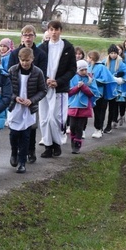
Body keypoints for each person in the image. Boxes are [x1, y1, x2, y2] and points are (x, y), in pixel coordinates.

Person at [7, 24, 48, 164]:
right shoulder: (14, 54)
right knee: (15, 129)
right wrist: (14, 96)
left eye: (30, 35)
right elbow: (10, 76)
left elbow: (40, 78)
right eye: (25, 35)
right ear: (21, 36)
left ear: (34, 37)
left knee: (31, 127)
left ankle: (30, 150)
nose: (28, 38)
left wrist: (32, 99)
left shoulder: (41, 54)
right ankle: (15, 152)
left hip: (32, 95)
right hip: (16, 97)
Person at [38, 20, 76, 158]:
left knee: (56, 118)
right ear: (48, 31)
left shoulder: (68, 48)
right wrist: (46, 79)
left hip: (60, 88)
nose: (54, 32)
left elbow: (72, 69)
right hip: (45, 88)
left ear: (61, 30)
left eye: (56, 29)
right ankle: (48, 145)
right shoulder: (42, 48)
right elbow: (38, 68)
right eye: (51, 29)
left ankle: (57, 143)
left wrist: (58, 81)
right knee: (44, 118)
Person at [67, 59, 98, 154]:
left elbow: (93, 93)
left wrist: (84, 87)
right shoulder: (73, 78)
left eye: (85, 69)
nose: (84, 72)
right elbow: (69, 92)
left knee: (79, 127)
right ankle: (73, 140)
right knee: (72, 126)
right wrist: (77, 87)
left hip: (84, 106)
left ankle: (77, 145)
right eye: (81, 70)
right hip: (73, 105)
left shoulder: (90, 79)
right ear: (77, 70)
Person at [87, 50, 115, 139]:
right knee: (95, 111)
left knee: (100, 112)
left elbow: (106, 80)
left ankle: (99, 129)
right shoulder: (89, 67)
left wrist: (93, 81)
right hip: (92, 93)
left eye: (88, 57)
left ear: (91, 58)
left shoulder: (102, 67)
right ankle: (97, 128)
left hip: (100, 94)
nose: (87, 59)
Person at [103, 44, 126, 134]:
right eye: (111, 53)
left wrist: (117, 78)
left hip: (115, 89)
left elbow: (124, 76)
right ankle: (100, 125)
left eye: (115, 53)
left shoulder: (121, 63)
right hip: (105, 88)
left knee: (112, 108)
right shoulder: (104, 62)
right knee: (103, 108)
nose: (113, 55)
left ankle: (109, 124)